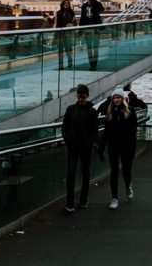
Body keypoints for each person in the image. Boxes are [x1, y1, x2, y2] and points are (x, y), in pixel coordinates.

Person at [98, 90, 137, 210]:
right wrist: (101, 147)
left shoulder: (130, 111)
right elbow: (106, 132)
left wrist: (132, 147)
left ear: (123, 99)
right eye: (114, 98)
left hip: (126, 146)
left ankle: (128, 185)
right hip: (113, 146)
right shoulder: (110, 112)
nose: (116, 100)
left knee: (126, 170)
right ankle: (114, 198)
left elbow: (133, 131)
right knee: (114, 171)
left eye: (118, 97)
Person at [62, 84, 97, 214]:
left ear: (86, 96)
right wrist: (68, 140)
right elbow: (65, 128)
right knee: (71, 174)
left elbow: (94, 131)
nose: (80, 99)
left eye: (82, 97)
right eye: (79, 96)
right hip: (74, 147)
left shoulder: (91, 112)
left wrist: (87, 143)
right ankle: (70, 202)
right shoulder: (70, 110)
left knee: (84, 173)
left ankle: (83, 199)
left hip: (84, 147)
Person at [80, 0, 104, 71]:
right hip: (87, 29)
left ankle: (95, 63)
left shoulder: (96, 4)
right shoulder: (84, 6)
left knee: (95, 47)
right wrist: (80, 29)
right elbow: (82, 18)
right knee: (89, 47)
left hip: (96, 28)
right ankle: (91, 64)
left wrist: (95, 0)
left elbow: (102, 9)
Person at [55, 0, 75, 69]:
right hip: (60, 33)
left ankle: (70, 63)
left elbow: (75, 23)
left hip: (68, 34)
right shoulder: (58, 12)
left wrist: (71, 25)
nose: (66, 4)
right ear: (62, 4)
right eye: (65, 3)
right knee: (60, 51)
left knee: (68, 50)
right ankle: (60, 65)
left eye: (68, 3)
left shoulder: (72, 13)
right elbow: (56, 23)